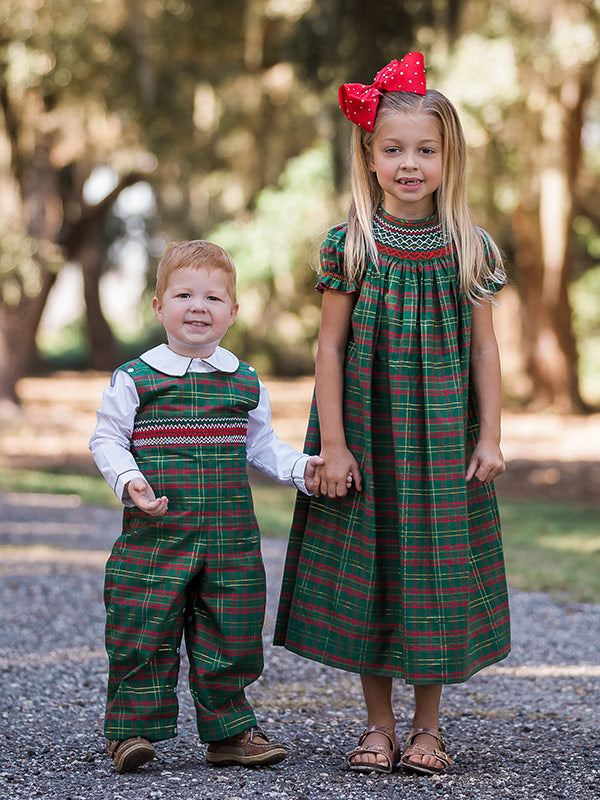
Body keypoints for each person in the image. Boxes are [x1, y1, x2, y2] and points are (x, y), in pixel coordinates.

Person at [274, 52, 510, 776]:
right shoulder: (352, 245)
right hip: (367, 432)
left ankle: (428, 729)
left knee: (432, 572)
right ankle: (376, 724)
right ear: (369, 158)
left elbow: (485, 353)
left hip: (442, 435)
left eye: (425, 150)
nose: (410, 163)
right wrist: (335, 445)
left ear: (449, 157)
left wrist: (492, 435)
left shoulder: (469, 247)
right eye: (393, 150)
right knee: (369, 567)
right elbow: (330, 349)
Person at [90, 239, 324, 774]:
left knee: (232, 628)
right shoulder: (136, 379)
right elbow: (106, 439)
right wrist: (130, 479)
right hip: (157, 533)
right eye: (184, 295)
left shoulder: (243, 381)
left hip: (229, 537)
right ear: (158, 306)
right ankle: (130, 731)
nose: (199, 306)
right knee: (141, 625)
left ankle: (230, 731)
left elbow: (262, 446)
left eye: (214, 298)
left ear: (233, 311)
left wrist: (301, 469)